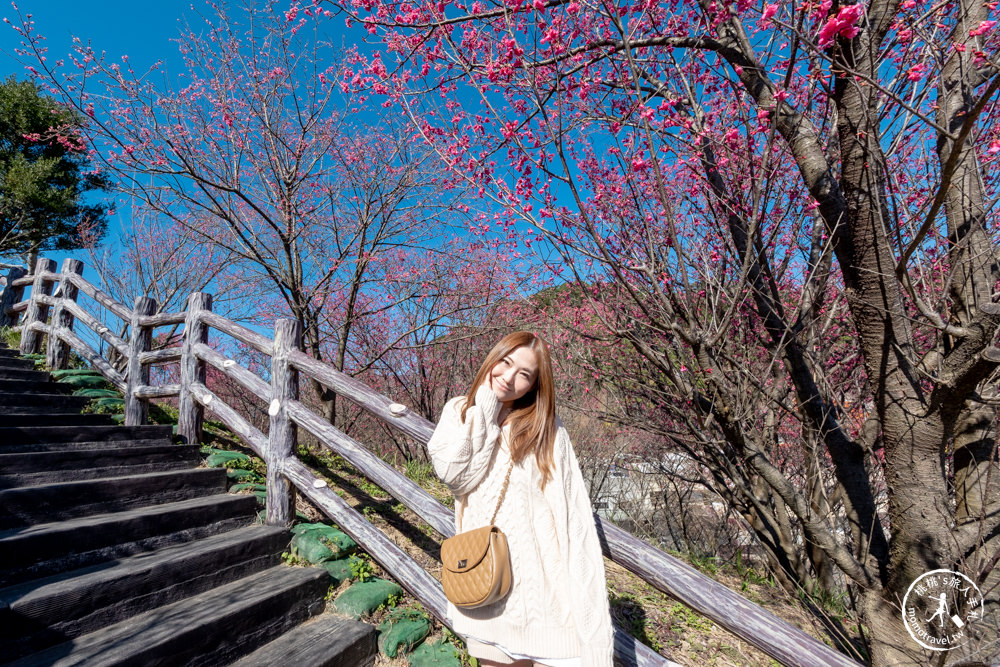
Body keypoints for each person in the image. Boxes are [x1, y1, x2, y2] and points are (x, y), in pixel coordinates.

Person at [428, 331, 615, 667]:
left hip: (545, 604)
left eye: (525, 374)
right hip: (487, 590)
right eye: (506, 362)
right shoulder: (459, 411)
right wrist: (485, 409)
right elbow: (456, 475)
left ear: (534, 385)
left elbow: (574, 522)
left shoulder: (547, 431)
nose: (510, 377)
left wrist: (594, 633)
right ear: (493, 357)